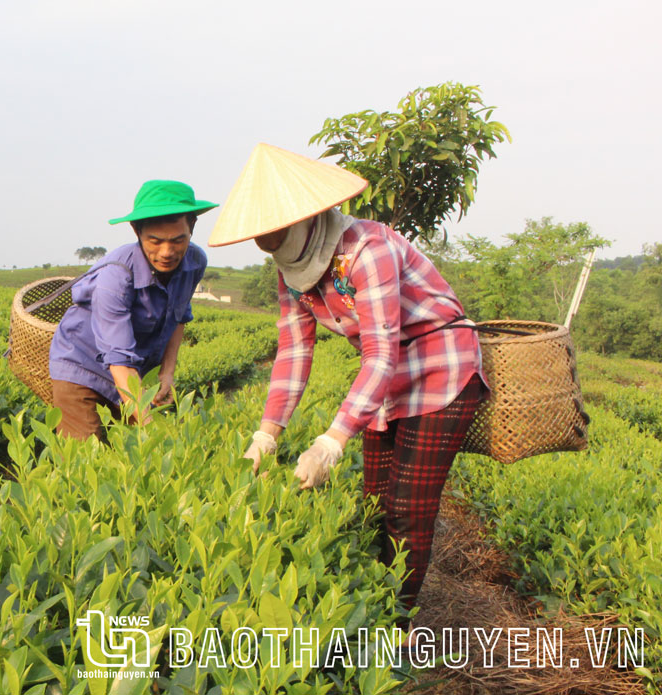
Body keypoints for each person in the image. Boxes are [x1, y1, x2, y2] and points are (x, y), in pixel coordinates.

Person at [208, 143, 487, 618]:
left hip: (440, 370)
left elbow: (381, 352)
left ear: (303, 217)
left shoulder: (367, 248)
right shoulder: (291, 273)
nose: (266, 243)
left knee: (406, 511)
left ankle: (398, 624)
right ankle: (371, 609)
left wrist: (332, 443)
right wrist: (266, 435)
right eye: (259, 236)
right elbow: (294, 350)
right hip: (387, 380)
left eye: (272, 231)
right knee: (374, 504)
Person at [48, 179, 217, 440]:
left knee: (126, 458)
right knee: (86, 460)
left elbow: (179, 317)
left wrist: (167, 373)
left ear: (192, 227)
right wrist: (153, 432)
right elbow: (120, 364)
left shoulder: (195, 261)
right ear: (136, 230)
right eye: (155, 241)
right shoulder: (115, 277)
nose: (167, 252)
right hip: (82, 368)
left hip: (134, 373)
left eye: (178, 240)